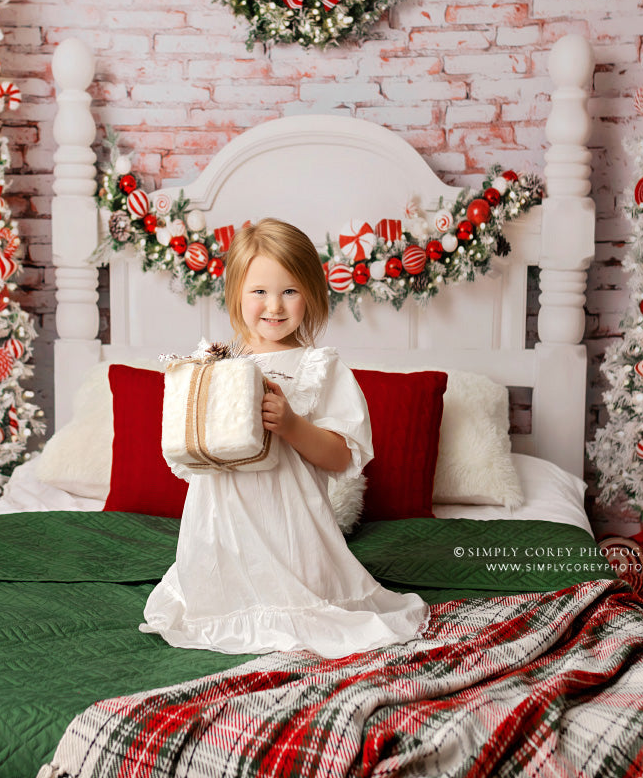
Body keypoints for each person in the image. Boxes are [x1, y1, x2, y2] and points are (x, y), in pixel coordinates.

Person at [140, 218, 429, 658]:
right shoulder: (212, 366)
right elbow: (188, 452)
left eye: (289, 291)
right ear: (235, 293)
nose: (273, 306)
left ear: (311, 294)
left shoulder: (318, 368)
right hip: (222, 531)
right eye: (259, 291)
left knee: (308, 607)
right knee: (216, 597)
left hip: (290, 531)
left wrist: (292, 425)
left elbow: (339, 457)